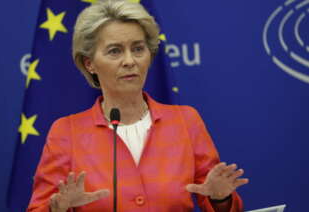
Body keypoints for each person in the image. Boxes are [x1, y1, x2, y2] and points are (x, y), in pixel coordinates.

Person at [27, 0, 249, 211]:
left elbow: (223, 204)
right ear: (90, 63)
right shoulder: (66, 132)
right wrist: (58, 208)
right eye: (115, 51)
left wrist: (221, 197)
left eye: (138, 49)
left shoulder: (186, 121)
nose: (129, 61)